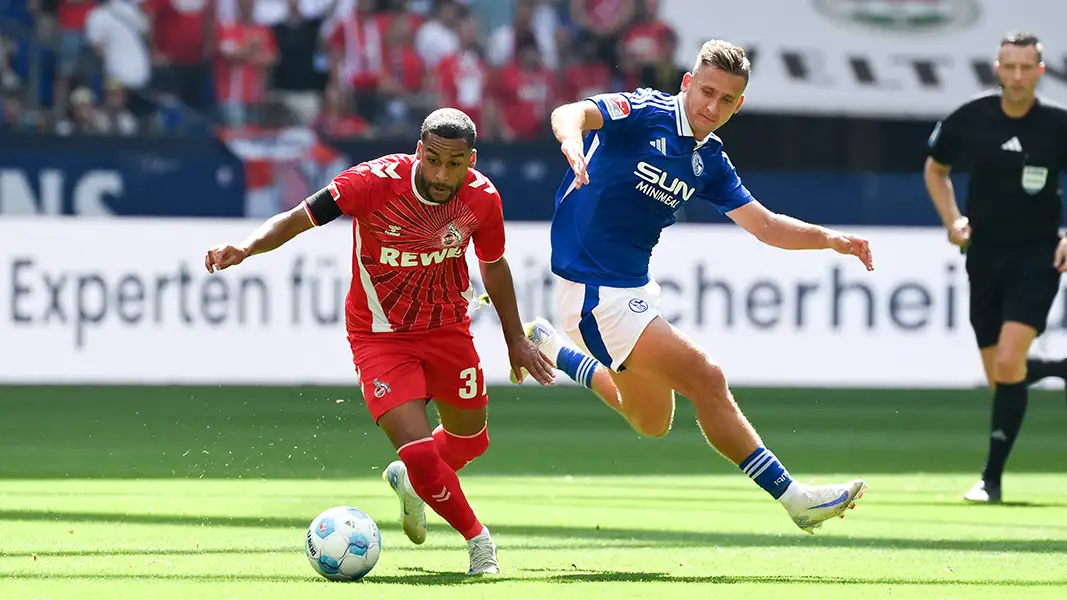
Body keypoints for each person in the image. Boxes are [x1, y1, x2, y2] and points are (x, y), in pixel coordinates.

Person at [517, 39, 873, 535]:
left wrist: (830, 239)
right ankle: (795, 498)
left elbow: (765, 225)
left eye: (726, 100)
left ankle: (558, 353)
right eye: (706, 91)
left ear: (738, 105)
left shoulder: (709, 160)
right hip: (596, 292)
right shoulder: (643, 112)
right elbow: (570, 112)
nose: (712, 106)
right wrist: (572, 142)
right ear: (687, 83)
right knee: (706, 377)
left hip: (628, 290)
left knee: (652, 422)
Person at [204, 108, 555, 574]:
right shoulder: (369, 183)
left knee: (470, 443)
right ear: (418, 151)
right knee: (419, 451)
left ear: (471, 160)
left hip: (448, 328)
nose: (440, 173)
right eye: (432, 159)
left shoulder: (482, 198)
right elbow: (298, 217)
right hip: (379, 336)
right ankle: (478, 541)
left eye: (453, 164)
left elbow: (493, 265)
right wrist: (247, 247)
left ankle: (412, 485)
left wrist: (515, 339)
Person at [924, 31, 1067, 504]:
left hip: (1038, 256)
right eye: (1011, 66)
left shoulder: (1057, 125)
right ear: (998, 68)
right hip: (983, 256)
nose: (1018, 76)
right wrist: (952, 221)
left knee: (1008, 363)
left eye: (1028, 67)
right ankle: (1055, 367)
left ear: (1040, 72)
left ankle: (992, 479)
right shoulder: (973, 117)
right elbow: (935, 168)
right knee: (1000, 376)